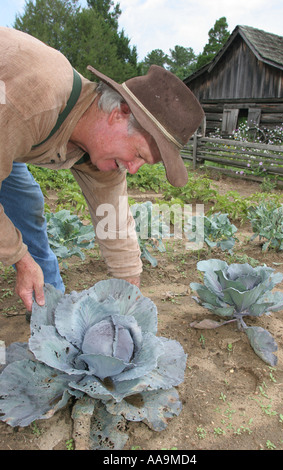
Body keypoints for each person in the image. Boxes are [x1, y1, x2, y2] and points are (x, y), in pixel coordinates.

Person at [0, 27, 204, 313]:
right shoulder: (34, 100)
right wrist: (20, 258)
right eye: (138, 154)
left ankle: (47, 305)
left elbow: (115, 226)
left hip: (7, 136)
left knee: (25, 202)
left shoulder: (103, 155)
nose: (133, 169)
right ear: (119, 113)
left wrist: (129, 300)